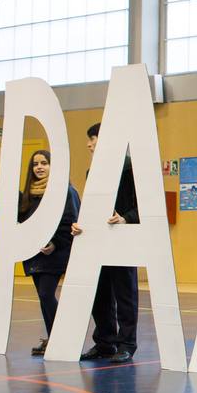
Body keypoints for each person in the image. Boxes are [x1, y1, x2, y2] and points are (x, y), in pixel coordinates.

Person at [73, 122, 140, 363]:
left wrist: (125, 218)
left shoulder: (132, 168)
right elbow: (91, 207)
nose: (89, 144)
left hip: (123, 239)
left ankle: (127, 343)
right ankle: (104, 342)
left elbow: (143, 206)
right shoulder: (93, 172)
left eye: (93, 138)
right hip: (97, 241)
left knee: (125, 294)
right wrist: (81, 223)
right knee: (99, 294)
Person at [19, 149, 80, 356]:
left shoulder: (64, 191)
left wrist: (54, 243)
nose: (39, 167)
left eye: (44, 163)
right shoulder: (28, 194)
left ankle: (59, 338)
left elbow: (70, 219)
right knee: (43, 296)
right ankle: (53, 337)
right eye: (35, 164)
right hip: (34, 254)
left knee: (46, 294)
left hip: (56, 252)